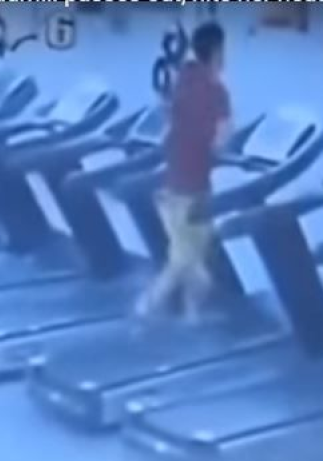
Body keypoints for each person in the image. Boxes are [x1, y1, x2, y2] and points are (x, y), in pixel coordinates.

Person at [136, 22, 232, 323]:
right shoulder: (217, 91)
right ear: (216, 51)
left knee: (189, 255)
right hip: (196, 189)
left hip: (171, 184)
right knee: (187, 262)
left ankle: (192, 318)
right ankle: (145, 307)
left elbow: (169, 120)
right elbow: (222, 139)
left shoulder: (183, 80)